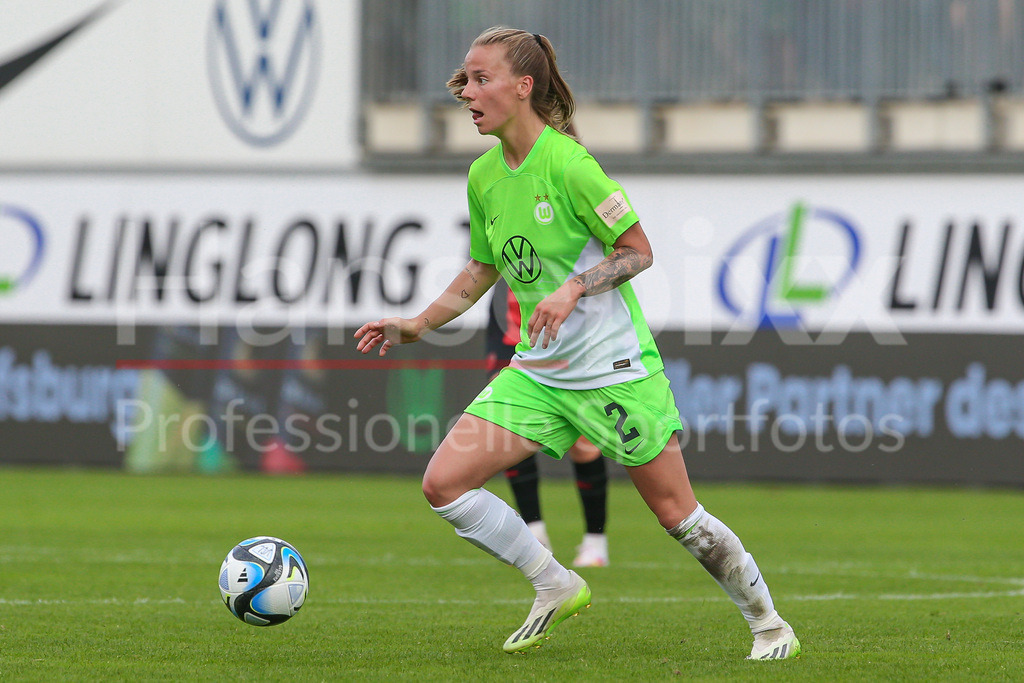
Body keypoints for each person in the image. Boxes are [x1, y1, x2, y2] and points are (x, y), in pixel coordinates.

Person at [355, 26, 800, 659]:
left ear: (523, 86)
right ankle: (555, 583)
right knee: (443, 483)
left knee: (678, 515)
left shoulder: (571, 165)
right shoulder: (483, 175)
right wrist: (419, 324)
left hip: (614, 371)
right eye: (466, 79)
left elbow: (638, 251)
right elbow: (483, 267)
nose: (468, 93)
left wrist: (574, 288)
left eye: (482, 79)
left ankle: (770, 627)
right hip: (539, 374)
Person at [487, 281, 610, 566]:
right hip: (514, 311)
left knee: (583, 441)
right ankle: (535, 535)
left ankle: (595, 542)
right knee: (513, 427)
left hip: (574, 323)